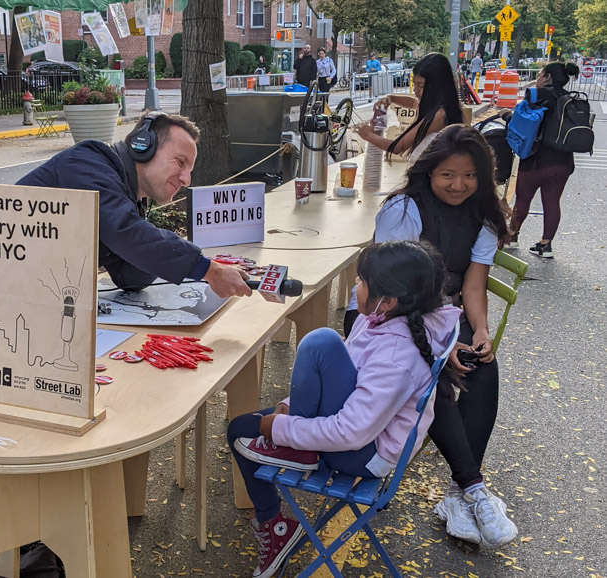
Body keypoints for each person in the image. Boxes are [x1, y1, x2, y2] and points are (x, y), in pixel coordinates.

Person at [227, 240, 461, 578]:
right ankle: (277, 526)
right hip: (359, 431)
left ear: (388, 299)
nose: (356, 285)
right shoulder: (381, 319)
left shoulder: (397, 356)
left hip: (364, 454)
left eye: (362, 280)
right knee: (240, 428)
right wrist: (290, 408)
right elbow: (347, 374)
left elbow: (352, 432)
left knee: (319, 343)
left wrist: (282, 430)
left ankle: (297, 461)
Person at [346, 125, 517, 548]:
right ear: (429, 172)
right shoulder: (404, 208)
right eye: (447, 175)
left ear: (483, 176)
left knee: (483, 370)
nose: (458, 185)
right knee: (431, 376)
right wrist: (442, 347)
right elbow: (389, 288)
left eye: (469, 176)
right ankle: (472, 486)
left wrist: (478, 331)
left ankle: (459, 497)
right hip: (385, 313)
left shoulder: (486, 218)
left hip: (443, 314)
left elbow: (474, 285)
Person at [0, 113, 252, 326]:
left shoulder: (123, 192)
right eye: (180, 162)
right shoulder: (88, 161)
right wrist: (208, 270)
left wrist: (153, 250)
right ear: (143, 148)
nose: (185, 178)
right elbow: (124, 232)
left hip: (35, 287)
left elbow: (130, 277)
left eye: (190, 170)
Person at [506, 62, 580, 258]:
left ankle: (511, 236)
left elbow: (521, 119)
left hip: (536, 160)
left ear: (547, 78)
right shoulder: (569, 98)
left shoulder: (537, 95)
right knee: (552, 202)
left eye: (540, 75)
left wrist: (505, 115)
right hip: (563, 161)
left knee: (522, 200)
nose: (537, 79)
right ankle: (545, 244)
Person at [356, 53, 464, 163]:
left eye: (421, 85)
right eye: (414, 84)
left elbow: (398, 147)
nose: (415, 90)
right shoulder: (439, 107)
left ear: (437, 85)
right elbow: (413, 102)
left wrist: (368, 135)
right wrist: (392, 98)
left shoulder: (438, 116)